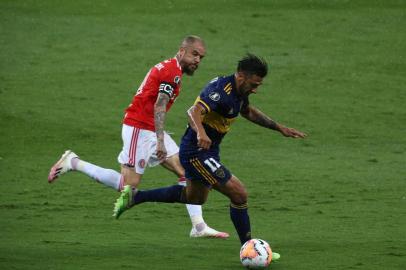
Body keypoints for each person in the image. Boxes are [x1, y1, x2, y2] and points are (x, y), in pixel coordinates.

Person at [112, 54, 306, 251]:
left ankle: (136, 198)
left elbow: (247, 111)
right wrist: (201, 132)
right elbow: (193, 112)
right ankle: (250, 248)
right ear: (241, 76)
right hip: (197, 152)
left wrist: (278, 127)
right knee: (239, 194)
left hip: (209, 151)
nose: (255, 89)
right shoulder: (220, 90)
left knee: (195, 197)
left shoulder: (240, 91)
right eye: (254, 84)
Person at [48, 35, 229, 238]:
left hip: (151, 128)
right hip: (139, 128)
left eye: (201, 57)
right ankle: (73, 162)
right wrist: (160, 141)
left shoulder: (172, 69)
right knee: (128, 187)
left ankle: (198, 226)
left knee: (187, 172)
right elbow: (159, 105)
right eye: (194, 54)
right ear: (181, 51)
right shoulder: (171, 73)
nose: (197, 60)